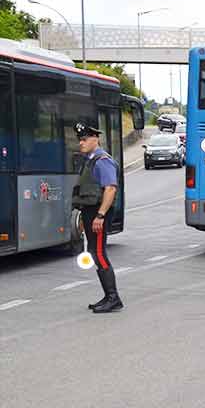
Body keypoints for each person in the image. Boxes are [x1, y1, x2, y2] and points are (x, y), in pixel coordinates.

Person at [71, 123, 123, 313]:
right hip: (90, 213)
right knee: (94, 252)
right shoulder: (90, 160)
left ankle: (113, 297)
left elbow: (110, 188)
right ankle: (108, 296)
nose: (81, 143)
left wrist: (100, 215)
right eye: (80, 139)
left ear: (95, 139)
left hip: (97, 214)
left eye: (84, 139)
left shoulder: (102, 160)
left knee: (99, 253)